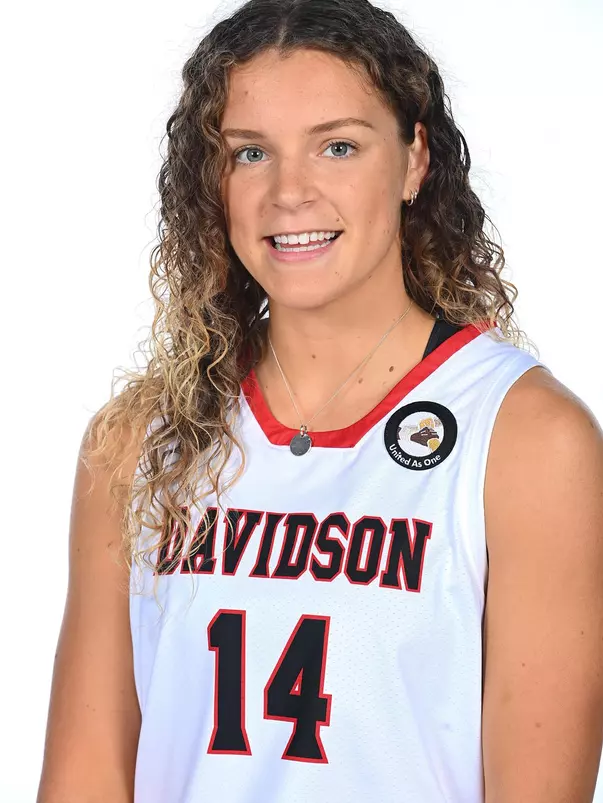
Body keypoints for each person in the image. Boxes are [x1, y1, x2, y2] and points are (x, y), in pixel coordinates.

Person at [37, 1, 603, 801]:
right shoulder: (140, 440)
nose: (288, 193)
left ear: (413, 160)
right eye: (249, 154)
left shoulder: (524, 438)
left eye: (337, 146)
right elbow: (86, 775)